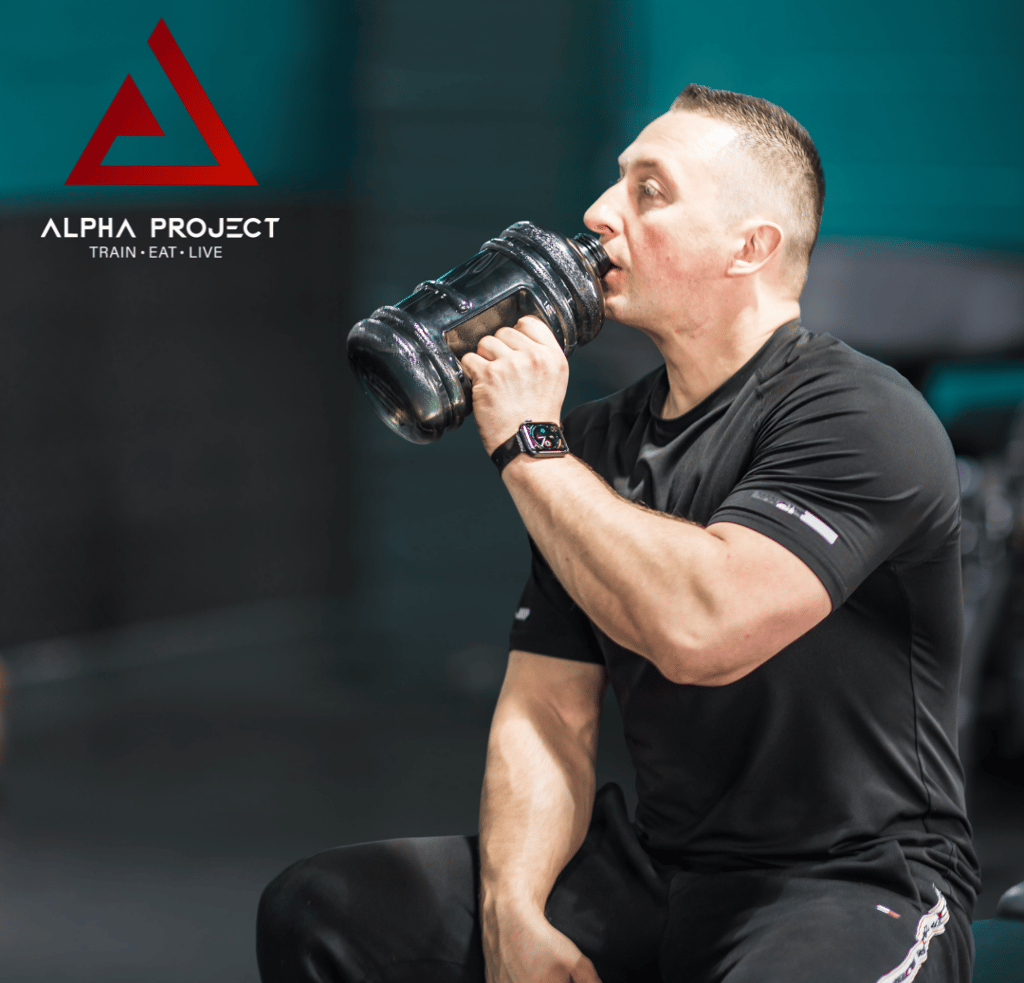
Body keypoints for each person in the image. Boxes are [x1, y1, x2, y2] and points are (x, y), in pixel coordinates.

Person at [256, 85, 979, 983]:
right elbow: (549, 710)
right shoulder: (594, 444)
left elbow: (702, 629)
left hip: (852, 879)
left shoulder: (860, 413)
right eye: (616, 181)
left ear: (749, 247)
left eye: (651, 191)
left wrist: (529, 447)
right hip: (663, 867)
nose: (601, 212)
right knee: (325, 908)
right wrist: (513, 911)